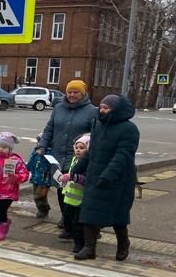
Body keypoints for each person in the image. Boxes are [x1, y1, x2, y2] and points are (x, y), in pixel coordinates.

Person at [76, 94, 140, 261]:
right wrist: (78, 169)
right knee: (89, 213)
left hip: (119, 181)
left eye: (106, 108)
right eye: (101, 107)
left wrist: (108, 176)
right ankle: (89, 248)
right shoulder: (98, 125)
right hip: (95, 176)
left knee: (118, 217)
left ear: (116, 110)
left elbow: (123, 156)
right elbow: (93, 151)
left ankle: (123, 244)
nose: (102, 111)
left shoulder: (129, 129)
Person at [37, 79, 98, 237]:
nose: (72, 95)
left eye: (76, 92)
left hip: (78, 158)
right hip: (58, 155)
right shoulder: (58, 108)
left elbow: (96, 134)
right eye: (70, 91)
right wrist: (42, 145)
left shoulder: (92, 111)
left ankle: (82, 224)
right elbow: (50, 128)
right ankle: (67, 219)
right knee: (61, 188)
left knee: (77, 190)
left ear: (82, 94)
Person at [57, 134, 90, 255]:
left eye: (82, 148)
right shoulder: (74, 160)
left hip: (81, 199)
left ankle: (79, 244)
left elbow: (86, 179)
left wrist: (74, 177)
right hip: (70, 197)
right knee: (68, 218)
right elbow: (71, 174)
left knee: (78, 224)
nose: (78, 150)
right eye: (76, 148)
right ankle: (70, 233)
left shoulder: (88, 163)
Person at [26, 134, 56, 219]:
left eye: (40, 141)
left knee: (40, 195)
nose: (38, 143)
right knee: (36, 194)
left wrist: (43, 155)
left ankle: (44, 209)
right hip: (36, 177)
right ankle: (42, 209)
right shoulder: (35, 152)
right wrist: (26, 169)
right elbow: (31, 162)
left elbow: (50, 165)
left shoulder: (50, 153)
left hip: (45, 179)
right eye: (38, 141)